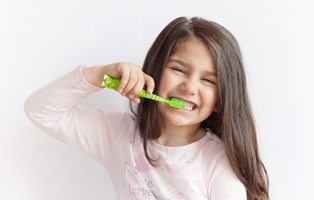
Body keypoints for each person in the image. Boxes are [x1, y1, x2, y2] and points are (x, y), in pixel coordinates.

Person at [24, 16, 269, 199]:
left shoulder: (218, 162)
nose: (190, 87)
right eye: (178, 70)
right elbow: (40, 110)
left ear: (222, 99)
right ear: (154, 71)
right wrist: (99, 75)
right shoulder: (119, 134)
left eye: (208, 80)